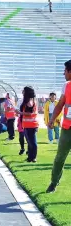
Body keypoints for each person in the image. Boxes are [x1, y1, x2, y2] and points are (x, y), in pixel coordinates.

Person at [46, 59, 71, 193]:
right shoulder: (66, 86)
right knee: (60, 158)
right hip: (67, 130)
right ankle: (53, 183)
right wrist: (52, 119)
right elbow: (61, 104)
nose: (63, 74)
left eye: (65, 71)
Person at [18, 86, 39, 163]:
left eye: (24, 91)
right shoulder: (29, 101)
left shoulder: (30, 102)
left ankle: (33, 157)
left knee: (32, 143)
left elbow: (30, 114)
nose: (22, 92)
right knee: (30, 142)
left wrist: (20, 113)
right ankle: (30, 157)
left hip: (31, 125)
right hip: (27, 125)